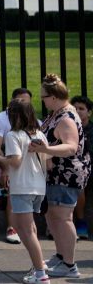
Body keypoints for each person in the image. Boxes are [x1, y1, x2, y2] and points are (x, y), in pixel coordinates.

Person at [0, 98, 51, 283]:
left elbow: (15, 161)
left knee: (26, 230)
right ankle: (38, 266)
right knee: (29, 227)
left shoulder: (13, 135)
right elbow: (49, 163)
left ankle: (40, 274)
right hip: (38, 187)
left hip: (22, 187)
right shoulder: (40, 134)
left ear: (13, 116)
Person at [33, 74, 89, 279]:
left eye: (44, 96)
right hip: (55, 174)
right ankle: (61, 255)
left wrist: (46, 149)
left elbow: (71, 147)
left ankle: (69, 264)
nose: (43, 100)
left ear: (54, 97)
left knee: (63, 218)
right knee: (53, 216)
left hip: (65, 175)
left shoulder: (65, 118)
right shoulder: (58, 113)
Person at [0, 87, 34, 244]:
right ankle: (12, 227)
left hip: (30, 165)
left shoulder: (35, 121)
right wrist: (5, 169)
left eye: (27, 102)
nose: (24, 105)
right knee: (14, 183)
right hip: (7, 164)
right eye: (21, 101)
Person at [69, 94, 92, 239]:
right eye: (75, 108)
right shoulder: (66, 127)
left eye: (81, 109)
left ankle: (80, 222)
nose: (77, 111)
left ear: (89, 112)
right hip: (73, 169)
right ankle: (76, 222)